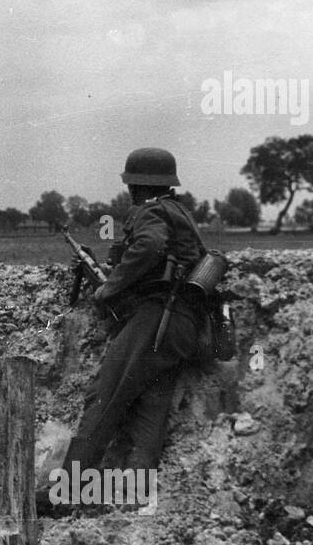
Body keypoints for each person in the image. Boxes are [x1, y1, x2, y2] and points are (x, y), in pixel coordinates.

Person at [43, 148, 207, 514]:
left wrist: (109, 286)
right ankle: (133, 497)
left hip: (158, 318)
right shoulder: (179, 212)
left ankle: (68, 493)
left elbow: (148, 245)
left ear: (137, 185)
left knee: (106, 396)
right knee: (151, 407)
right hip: (182, 324)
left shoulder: (149, 210)